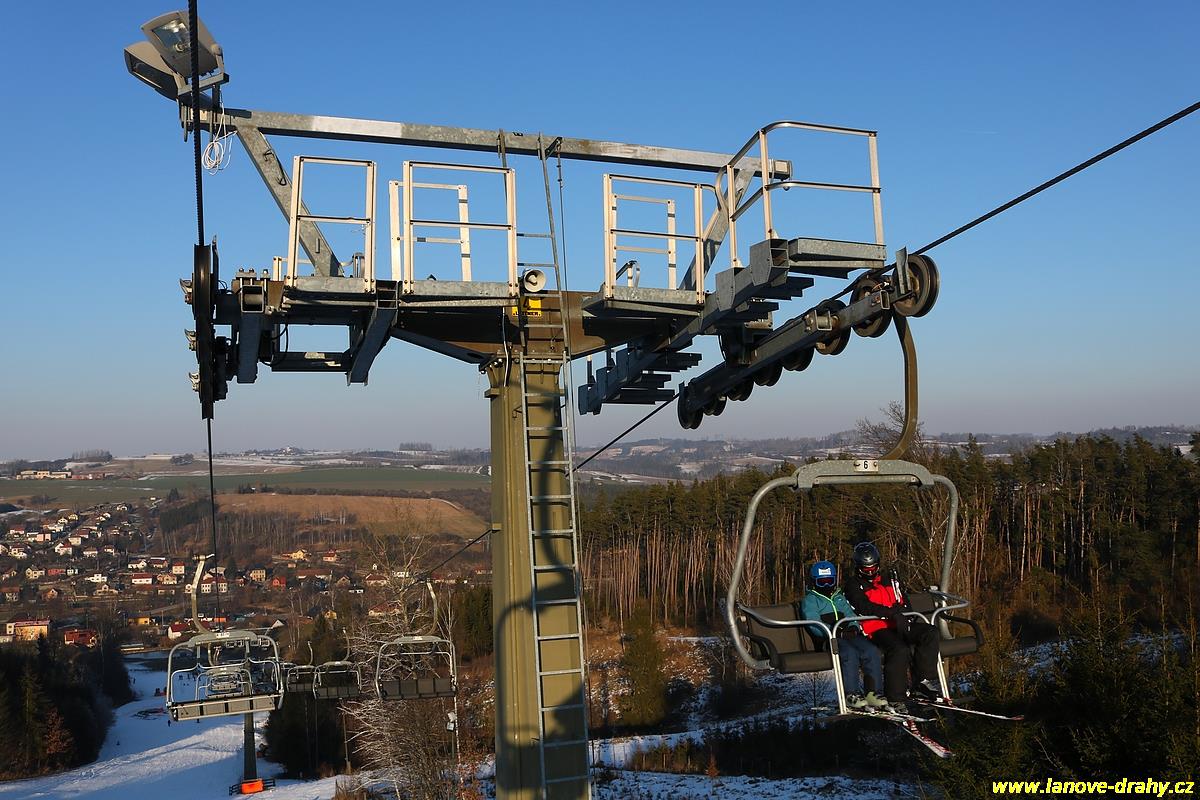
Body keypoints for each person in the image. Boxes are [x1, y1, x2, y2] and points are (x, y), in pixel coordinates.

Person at [844, 542, 941, 714]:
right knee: (899, 649)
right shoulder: (853, 585)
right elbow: (863, 606)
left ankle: (922, 681)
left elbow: (903, 600)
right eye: (866, 570)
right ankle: (896, 697)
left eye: (873, 568)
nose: (870, 573)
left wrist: (904, 614)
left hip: (898, 623)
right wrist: (891, 613)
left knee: (930, 632)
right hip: (875, 627)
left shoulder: (890, 580)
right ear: (858, 568)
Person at [801, 560, 887, 710]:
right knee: (849, 653)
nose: (826, 585)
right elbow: (813, 623)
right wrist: (835, 631)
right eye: (822, 582)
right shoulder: (811, 600)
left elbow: (850, 614)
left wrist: (853, 626)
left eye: (829, 581)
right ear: (814, 582)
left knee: (871, 650)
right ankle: (851, 694)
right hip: (828, 639)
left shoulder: (839, 597)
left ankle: (873, 692)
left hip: (848, 635)